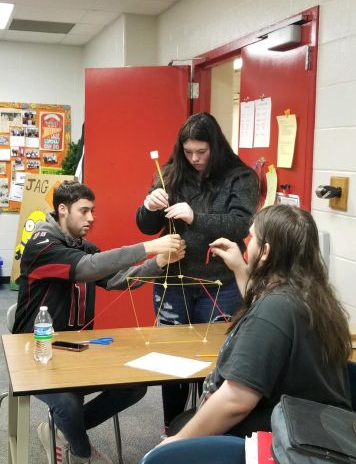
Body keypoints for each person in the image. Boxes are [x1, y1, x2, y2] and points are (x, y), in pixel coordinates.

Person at [13, 180, 185, 464]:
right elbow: (87, 268)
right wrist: (149, 246)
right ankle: (81, 453)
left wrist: (159, 263)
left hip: (76, 350)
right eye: (84, 211)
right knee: (67, 403)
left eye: (92, 210)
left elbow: (116, 279)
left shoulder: (83, 246)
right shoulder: (42, 246)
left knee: (134, 386)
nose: (91, 218)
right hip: (36, 352)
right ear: (63, 210)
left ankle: (63, 432)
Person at [158, 204, 352, 448]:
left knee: (179, 430)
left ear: (265, 252)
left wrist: (176, 442)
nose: (247, 243)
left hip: (277, 439)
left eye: (251, 237)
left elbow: (235, 402)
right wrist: (240, 267)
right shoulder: (310, 296)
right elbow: (264, 310)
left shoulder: (277, 308)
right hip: (312, 426)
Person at [136, 112, 259, 430]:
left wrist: (195, 216)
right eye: (188, 152)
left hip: (220, 282)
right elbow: (146, 226)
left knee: (218, 359)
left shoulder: (240, 177)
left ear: (215, 147)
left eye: (201, 152)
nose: (194, 159)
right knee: (171, 361)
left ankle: (209, 429)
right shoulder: (171, 172)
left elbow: (240, 224)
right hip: (173, 281)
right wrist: (148, 207)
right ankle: (170, 429)